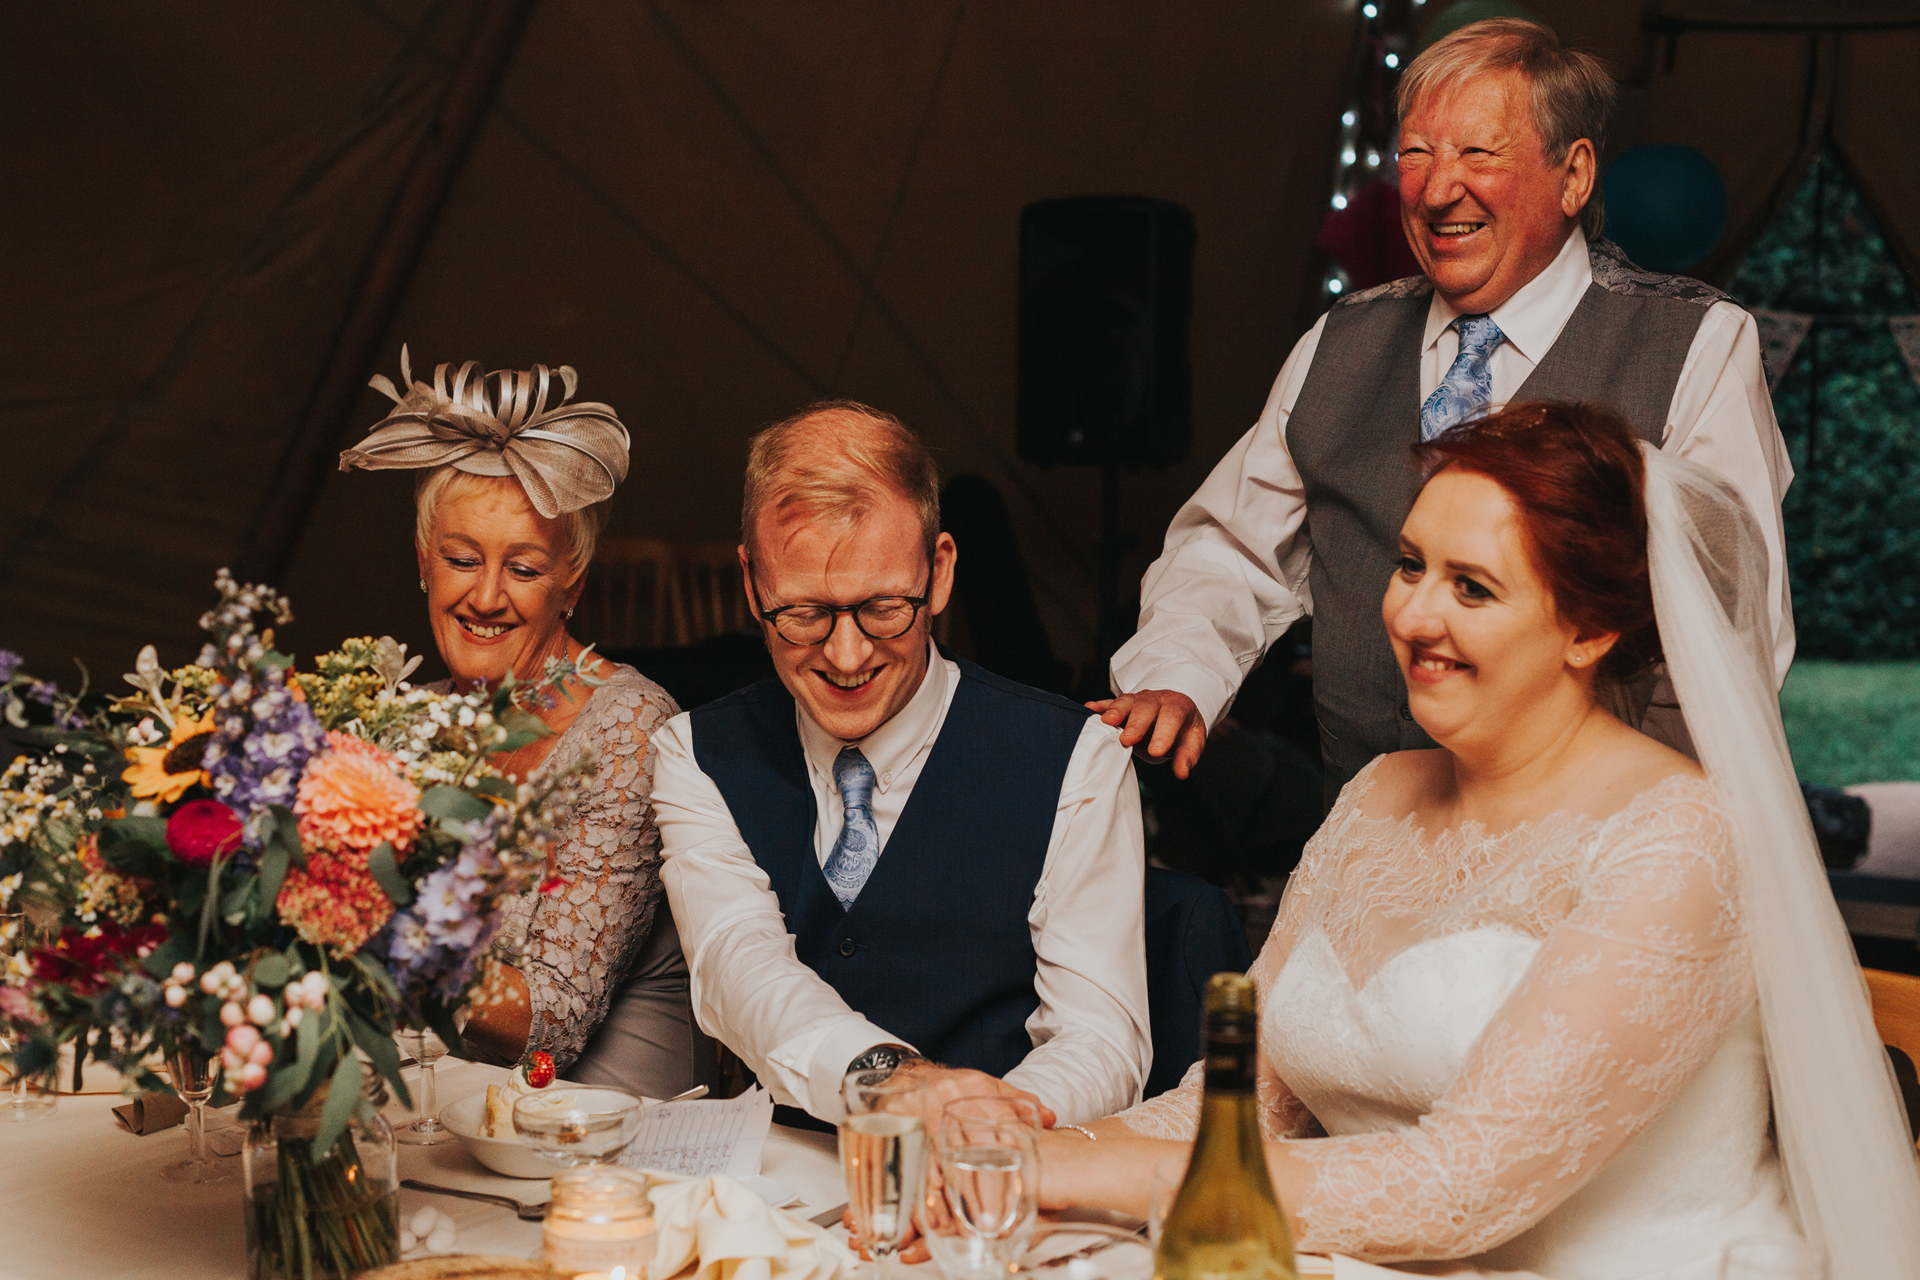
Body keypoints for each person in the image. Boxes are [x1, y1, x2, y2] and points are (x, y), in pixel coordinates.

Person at [1039, 403, 1920, 1279]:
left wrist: (1080, 1171)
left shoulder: (1677, 841)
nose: (1414, 617)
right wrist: (1020, 1142)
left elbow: (1460, 1186)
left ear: (1589, 629)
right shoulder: (1378, 793)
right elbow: (1242, 1109)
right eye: (1411, 565)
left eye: (1472, 587)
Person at [1101, 18, 1794, 802]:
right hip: (1367, 843)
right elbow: (1233, 552)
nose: (1435, 190)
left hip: (1583, 854)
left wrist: (1647, 838)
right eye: (1417, 153)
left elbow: (1731, 634)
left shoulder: (1694, 342)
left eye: (1477, 152)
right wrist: (1177, 676)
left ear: (1573, 176)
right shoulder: (1341, 341)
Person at [651, 400, 1151, 1128]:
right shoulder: (694, 755)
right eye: (803, 614)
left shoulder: (1078, 761)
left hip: (996, 1190)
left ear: (939, 573)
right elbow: (740, 966)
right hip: (781, 1202)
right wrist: (893, 1086)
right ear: (752, 581)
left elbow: (1100, 1039)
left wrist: (985, 1130)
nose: (847, 656)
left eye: (884, 608)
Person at [340, 350, 714, 1098]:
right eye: (460, 558)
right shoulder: (402, 722)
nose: (484, 596)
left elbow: (551, 1020)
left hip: (608, 1145)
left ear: (571, 578)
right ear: (422, 561)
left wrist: (355, 934)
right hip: (455, 1121)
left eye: (522, 568)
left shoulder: (630, 730)